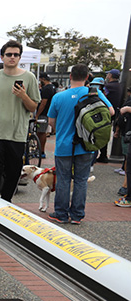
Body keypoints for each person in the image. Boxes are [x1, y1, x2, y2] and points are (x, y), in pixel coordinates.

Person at [47, 64, 113, 224]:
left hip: (64, 145)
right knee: (81, 180)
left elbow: (51, 121)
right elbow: (111, 112)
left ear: (70, 76)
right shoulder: (94, 93)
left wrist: (61, 129)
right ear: (87, 77)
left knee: (63, 179)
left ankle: (61, 213)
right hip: (86, 144)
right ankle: (77, 215)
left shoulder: (59, 97)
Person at [0, 40, 40, 202]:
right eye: (9, 54)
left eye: (16, 55)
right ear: (2, 57)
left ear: (20, 57)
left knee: (13, 173)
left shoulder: (29, 78)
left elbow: (33, 107)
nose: (12, 57)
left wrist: (23, 96)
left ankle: (6, 202)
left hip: (16, 134)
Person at [36, 73, 56, 158]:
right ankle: (40, 150)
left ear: (43, 79)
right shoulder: (52, 87)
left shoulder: (47, 89)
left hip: (43, 113)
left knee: (41, 132)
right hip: (48, 112)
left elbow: (43, 103)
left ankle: (41, 151)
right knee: (40, 131)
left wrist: (37, 114)